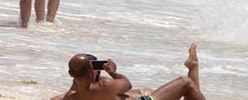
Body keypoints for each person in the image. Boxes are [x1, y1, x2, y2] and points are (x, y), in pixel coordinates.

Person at [52, 44, 205, 100]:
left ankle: (193, 67)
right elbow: (127, 84)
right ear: (92, 72)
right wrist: (113, 72)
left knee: (144, 91)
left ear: (70, 74)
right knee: (185, 83)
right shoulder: (104, 86)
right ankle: (193, 67)